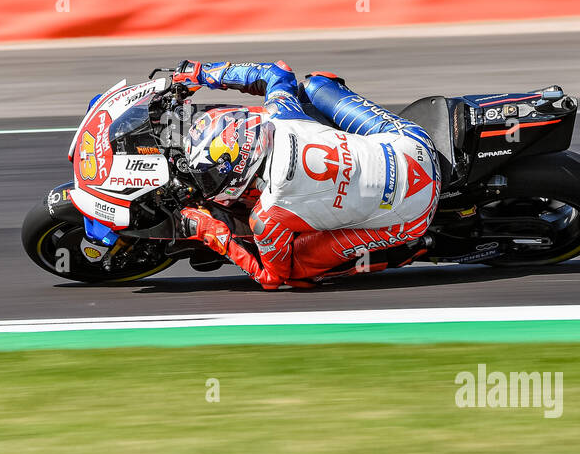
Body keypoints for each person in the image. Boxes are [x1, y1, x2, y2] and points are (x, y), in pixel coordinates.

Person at [172, 60, 440, 289]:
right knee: (315, 85)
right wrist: (204, 73)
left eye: (210, 176)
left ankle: (391, 255)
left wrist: (212, 233)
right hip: (415, 145)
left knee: (295, 271)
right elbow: (277, 72)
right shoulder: (282, 114)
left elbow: (271, 277)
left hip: (413, 218)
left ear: (240, 170)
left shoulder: (267, 216)